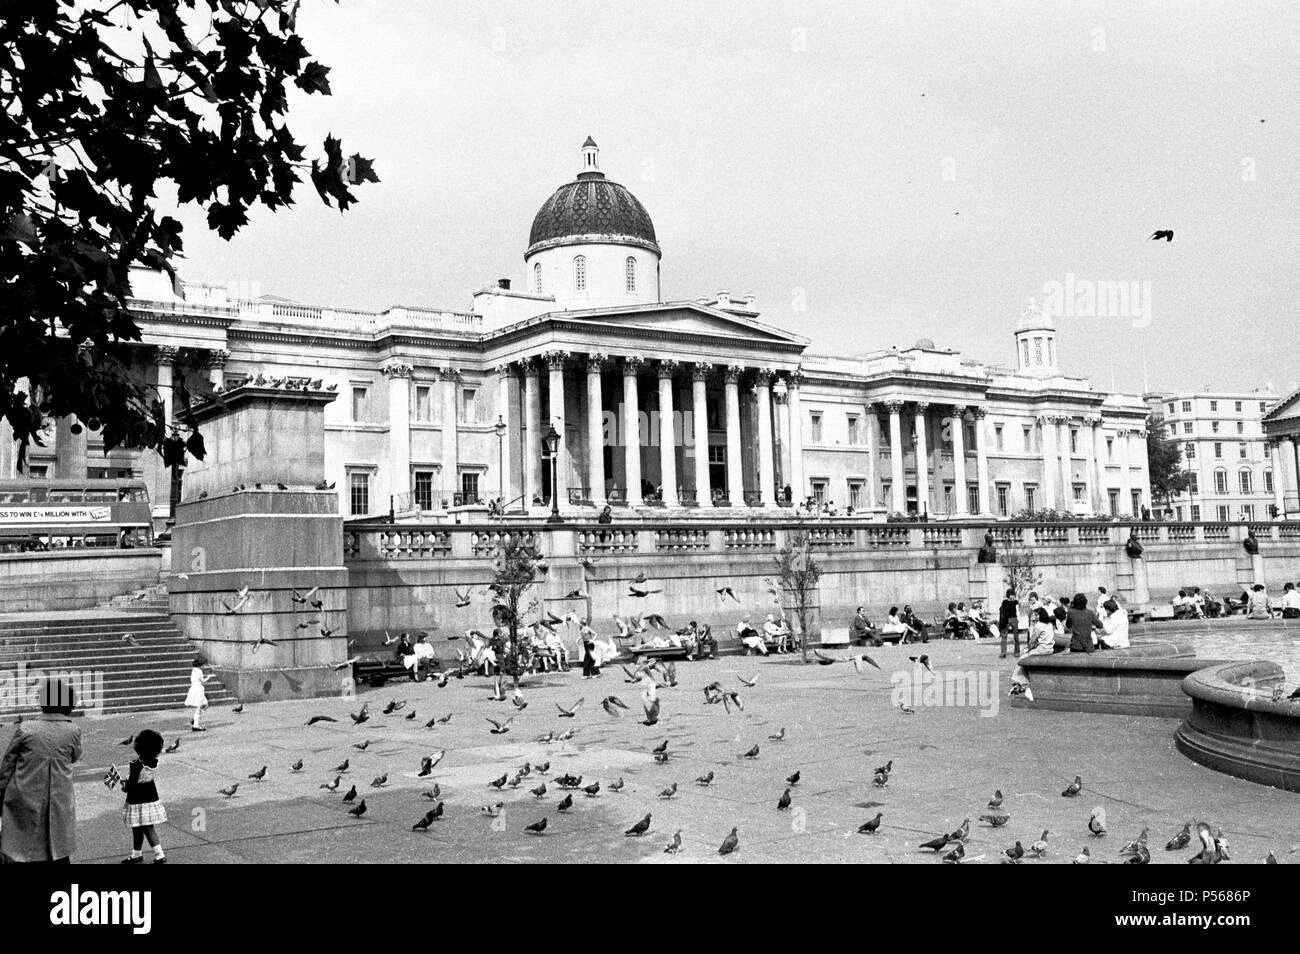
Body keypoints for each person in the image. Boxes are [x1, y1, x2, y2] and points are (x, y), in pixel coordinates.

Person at [0, 678, 82, 864]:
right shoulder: (73, 730)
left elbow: (7, 765)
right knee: (56, 845)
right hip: (58, 797)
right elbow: (75, 756)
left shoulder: (26, 728)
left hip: (25, 794)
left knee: (23, 845)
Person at [121, 729, 168, 864]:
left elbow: (131, 785)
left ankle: (159, 855)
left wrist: (125, 786)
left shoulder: (136, 765)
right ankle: (136, 854)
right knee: (142, 827)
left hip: (137, 800)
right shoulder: (153, 762)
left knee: (143, 827)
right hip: (150, 798)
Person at [1009, 607, 1058, 698]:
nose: (1035, 617)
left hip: (1042, 649)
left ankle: (1021, 682)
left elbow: (1032, 641)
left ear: (1041, 615)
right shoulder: (1050, 624)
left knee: (1022, 659)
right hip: (1050, 649)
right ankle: (1021, 681)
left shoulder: (1038, 625)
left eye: (1036, 615)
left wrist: (1029, 649)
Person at [185, 658, 216, 731]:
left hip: (195, 689)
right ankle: (196, 724)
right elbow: (203, 681)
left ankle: (195, 719)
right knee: (200, 707)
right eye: (203, 665)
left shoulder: (194, 670)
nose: (204, 666)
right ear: (200, 665)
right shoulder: (199, 671)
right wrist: (209, 677)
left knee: (205, 704)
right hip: (198, 690)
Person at [998, 588, 1021, 658]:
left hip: (1014, 619)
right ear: (1008, 595)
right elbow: (1002, 611)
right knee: (1004, 636)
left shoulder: (1016, 602)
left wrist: (1018, 618)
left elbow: (1017, 610)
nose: (1013, 596)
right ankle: (1003, 652)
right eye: (1011, 595)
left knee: (1016, 636)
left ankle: (1017, 652)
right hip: (1006, 620)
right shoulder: (1004, 602)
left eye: (1014, 595)